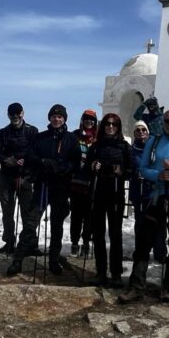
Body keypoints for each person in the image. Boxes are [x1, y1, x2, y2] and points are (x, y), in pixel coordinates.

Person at [118, 110, 169, 304]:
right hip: (156, 196)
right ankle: (136, 286)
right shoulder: (153, 142)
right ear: (163, 122)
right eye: (168, 121)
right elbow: (143, 169)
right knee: (144, 241)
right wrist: (158, 175)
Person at [12, 104, 79, 276]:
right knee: (31, 223)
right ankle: (17, 259)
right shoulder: (40, 137)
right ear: (49, 118)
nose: (56, 119)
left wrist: (62, 168)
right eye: (54, 116)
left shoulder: (71, 139)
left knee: (57, 226)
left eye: (60, 117)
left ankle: (54, 260)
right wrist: (42, 162)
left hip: (60, 187)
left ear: (64, 119)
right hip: (42, 185)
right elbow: (30, 156)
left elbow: (75, 161)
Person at [86, 113, 132, 288]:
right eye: (107, 124)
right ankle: (100, 272)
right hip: (98, 192)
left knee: (115, 234)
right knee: (98, 233)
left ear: (118, 127)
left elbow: (132, 169)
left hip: (115, 193)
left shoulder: (124, 147)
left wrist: (121, 171)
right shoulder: (96, 146)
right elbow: (87, 167)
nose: (110, 127)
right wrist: (92, 166)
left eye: (114, 124)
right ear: (103, 126)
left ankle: (116, 273)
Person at [0, 102, 38, 256]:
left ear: (22, 113)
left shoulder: (32, 131)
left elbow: (36, 152)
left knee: (27, 212)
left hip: (24, 177)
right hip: (6, 176)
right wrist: (7, 160)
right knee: (7, 211)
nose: (15, 116)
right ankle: (9, 242)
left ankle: (29, 243)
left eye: (17, 113)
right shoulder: (3, 133)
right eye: (12, 113)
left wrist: (24, 161)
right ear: (8, 115)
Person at [129, 121, 166, 264]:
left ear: (148, 132)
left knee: (159, 222)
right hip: (139, 191)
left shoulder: (155, 148)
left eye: (143, 130)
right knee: (140, 223)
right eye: (138, 130)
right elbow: (127, 168)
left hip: (155, 190)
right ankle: (141, 251)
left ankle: (160, 252)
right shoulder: (131, 150)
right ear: (134, 133)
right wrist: (135, 173)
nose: (141, 132)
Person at [70, 109, 98, 258]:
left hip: (92, 183)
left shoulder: (98, 138)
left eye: (92, 119)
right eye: (86, 118)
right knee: (76, 215)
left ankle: (86, 242)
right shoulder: (74, 136)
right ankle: (74, 242)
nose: (89, 121)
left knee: (90, 216)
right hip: (76, 182)